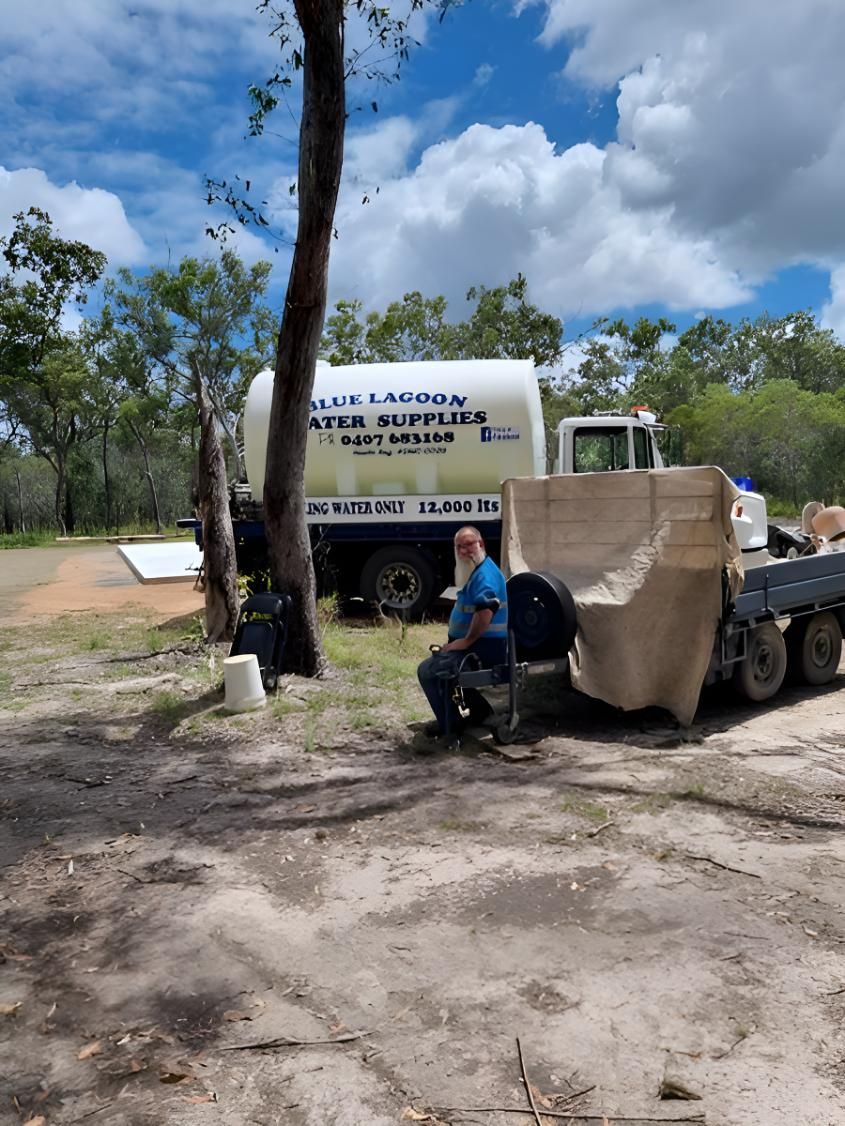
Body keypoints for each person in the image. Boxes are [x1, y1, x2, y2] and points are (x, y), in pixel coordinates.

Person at [417, 526, 508, 741]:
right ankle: (480, 714)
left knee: (429, 671)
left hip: (484, 649)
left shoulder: (485, 575)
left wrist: (466, 641)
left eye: (468, 544)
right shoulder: (476, 571)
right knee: (443, 666)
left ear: (481, 544)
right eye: (459, 546)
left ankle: (450, 726)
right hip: (477, 646)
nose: (463, 550)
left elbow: (486, 611)